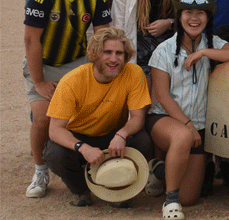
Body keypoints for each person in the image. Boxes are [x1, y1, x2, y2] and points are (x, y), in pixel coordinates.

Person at [146, 0, 229, 219]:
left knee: (189, 198)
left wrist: (203, 52)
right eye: (188, 12)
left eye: (200, 12)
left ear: (208, 17)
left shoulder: (214, 44)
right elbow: (162, 96)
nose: (194, 18)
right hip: (164, 119)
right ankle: (170, 202)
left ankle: (159, 170)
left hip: (198, 126)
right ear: (179, 16)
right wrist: (188, 125)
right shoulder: (163, 50)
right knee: (181, 136)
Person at [23, 0, 112, 199]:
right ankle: (40, 170)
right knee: (42, 118)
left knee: (86, 113)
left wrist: (99, 74)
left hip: (78, 60)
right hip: (45, 62)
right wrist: (39, 81)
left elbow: (103, 36)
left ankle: (84, 160)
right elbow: (31, 41)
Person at [43, 27, 152, 207]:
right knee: (55, 154)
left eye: (119, 53)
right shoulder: (72, 81)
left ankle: (118, 187)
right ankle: (81, 190)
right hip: (79, 136)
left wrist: (122, 134)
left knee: (143, 140)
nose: (114, 59)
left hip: (112, 133)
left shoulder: (133, 73)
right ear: (95, 54)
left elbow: (138, 118)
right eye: (107, 52)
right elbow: (55, 130)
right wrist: (82, 147)